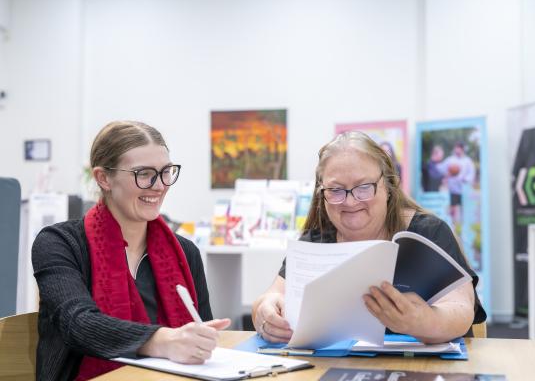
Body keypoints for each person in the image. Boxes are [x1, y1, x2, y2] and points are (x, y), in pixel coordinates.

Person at [32, 121, 231, 381]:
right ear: (103, 178)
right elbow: (77, 323)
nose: (159, 186)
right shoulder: (59, 243)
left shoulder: (185, 252)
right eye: (144, 173)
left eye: (166, 172)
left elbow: (201, 339)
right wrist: (163, 340)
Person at [252, 131, 486, 344]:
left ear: (388, 186)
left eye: (364, 187)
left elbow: (461, 310)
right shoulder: (314, 241)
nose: (351, 201)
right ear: (321, 193)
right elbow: (271, 296)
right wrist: (265, 313)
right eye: (335, 190)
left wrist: (421, 321)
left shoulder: (427, 232)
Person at [438, 142, 476, 226]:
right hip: (453, 189)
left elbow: (471, 173)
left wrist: (465, 179)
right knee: (452, 209)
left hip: (463, 189)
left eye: (458, 148)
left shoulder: (467, 161)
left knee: (464, 209)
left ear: (462, 149)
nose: (456, 150)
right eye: (455, 148)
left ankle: (464, 225)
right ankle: (452, 225)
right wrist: (446, 175)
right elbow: (441, 168)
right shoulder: (450, 160)